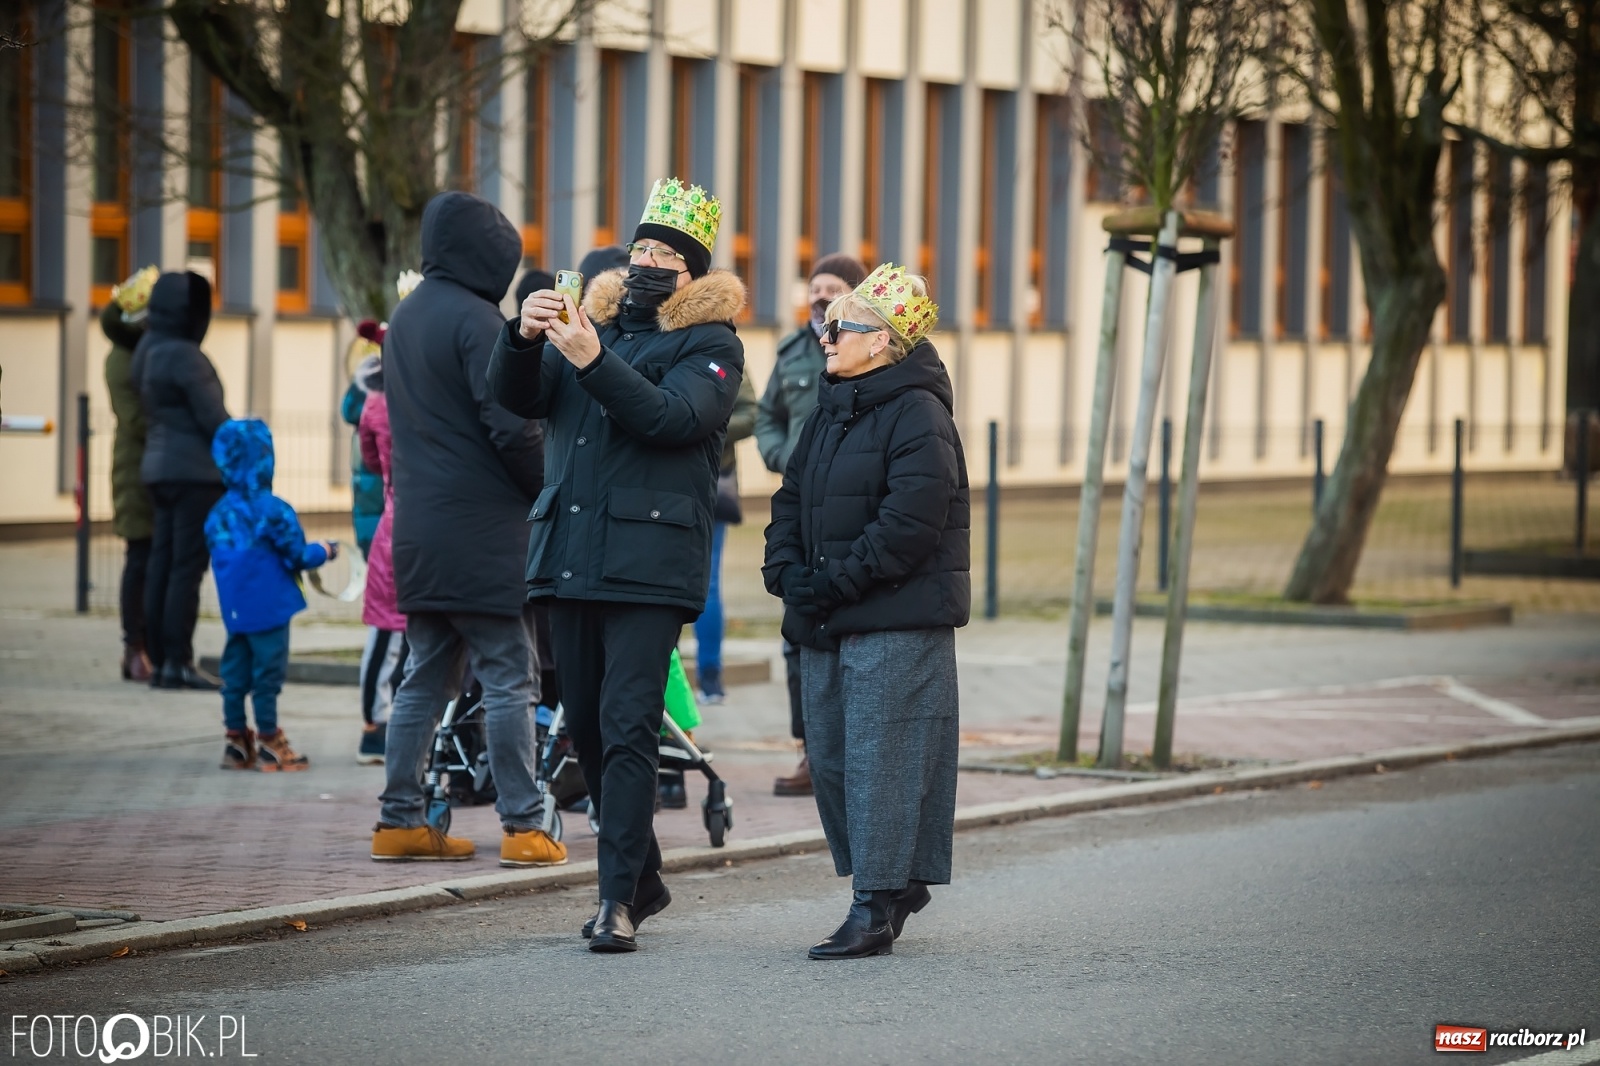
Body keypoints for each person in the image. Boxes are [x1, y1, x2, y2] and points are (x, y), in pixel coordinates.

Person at [489, 177, 745, 952]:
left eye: (668, 253)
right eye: (641, 247)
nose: (649, 261)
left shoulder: (713, 344)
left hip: (651, 562)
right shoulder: (583, 325)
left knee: (629, 725)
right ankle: (643, 877)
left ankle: (614, 902)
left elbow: (671, 419)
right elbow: (516, 400)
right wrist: (521, 336)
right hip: (568, 556)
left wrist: (593, 357)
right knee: (592, 733)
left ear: (694, 273)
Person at [762, 263, 969, 960]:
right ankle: (895, 882)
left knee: (884, 759)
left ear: (879, 342)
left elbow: (910, 521)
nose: (823, 335)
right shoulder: (829, 406)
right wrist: (783, 567)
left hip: (894, 616)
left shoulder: (919, 412)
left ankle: (874, 906)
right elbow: (791, 498)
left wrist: (834, 583)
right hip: (826, 612)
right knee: (832, 758)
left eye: (839, 326)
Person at [371, 191, 563, 870]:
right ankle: (523, 826)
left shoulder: (408, 315)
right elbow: (510, 425)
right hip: (483, 534)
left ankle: (398, 821)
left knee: (423, 678)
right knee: (512, 678)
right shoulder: (481, 321)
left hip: (420, 530)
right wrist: (551, 488)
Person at [753, 253, 867, 796]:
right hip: (801, 499)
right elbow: (764, 413)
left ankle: (855, 748)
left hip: (850, 507)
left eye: (832, 288)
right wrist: (781, 457)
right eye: (814, 287)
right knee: (798, 636)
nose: (819, 296)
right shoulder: (794, 351)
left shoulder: (870, 353)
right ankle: (809, 752)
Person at [205, 419, 334, 771]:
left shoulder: (218, 515)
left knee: (234, 674)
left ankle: (235, 742)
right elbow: (296, 556)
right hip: (270, 609)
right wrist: (325, 550)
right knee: (267, 677)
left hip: (236, 611)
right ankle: (269, 741)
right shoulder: (274, 511)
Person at [132, 270, 232, 691]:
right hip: (194, 475)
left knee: (161, 564)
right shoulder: (187, 356)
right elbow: (214, 419)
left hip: (157, 469)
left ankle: (160, 658)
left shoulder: (147, 351)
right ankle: (178, 660)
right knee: (185, 570)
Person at [103, 265, 159, 682]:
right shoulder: (121, 361)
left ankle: (149, 645)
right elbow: (134, 417)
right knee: (139, 556)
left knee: (153, 557)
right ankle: (133, 648)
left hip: (152, 464)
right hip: (135, 470)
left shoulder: (146, 353)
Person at [693, 370, 756, 705]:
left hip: (713, 483)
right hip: (658, 483)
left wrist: (701, 423)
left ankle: (710, 677)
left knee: (708, 583)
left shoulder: (727, 352)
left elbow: (750, 414)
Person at [355, 329, 401, 765]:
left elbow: (370, 462)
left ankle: (375, 724)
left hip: (394, 519)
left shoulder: (375, 403)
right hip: (435, 521)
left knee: (386, 629)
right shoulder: (434, 394)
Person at [340, 320, 388, 558]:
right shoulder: (384, 393)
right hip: (382, 486)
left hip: (364, 486)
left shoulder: (362, 389)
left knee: (373, 556)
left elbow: (347, 410)